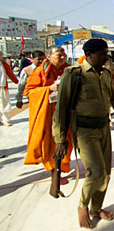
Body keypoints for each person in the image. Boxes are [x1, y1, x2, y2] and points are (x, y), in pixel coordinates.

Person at [53, 39, 114, 229]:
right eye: (102, 53)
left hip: (104, 128)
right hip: (85, 132)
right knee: (96, 172)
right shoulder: (74, 74)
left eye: (106, 53)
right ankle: (82, 206)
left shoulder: (105, 74)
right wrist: (60, 139)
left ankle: (96, 208)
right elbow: (61, 109)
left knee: (106, 174)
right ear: (89, 54)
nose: (105, 57)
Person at [23, 46, 71, 180]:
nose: (62, 57)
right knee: (51, 144)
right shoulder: (40, 72)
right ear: (49, 57)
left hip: (64, 111)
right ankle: (54, 172)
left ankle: (61, 167)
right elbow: (29, 92)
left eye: (63, 55)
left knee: (66, 140)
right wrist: (48, 89)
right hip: (48, 113)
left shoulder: (67, 69)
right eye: (59, 55)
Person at [0, 51, 19, 126]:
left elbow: (10, 73)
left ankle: (6, 120)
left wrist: (16, 81)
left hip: (2, 87)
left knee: (4, 104)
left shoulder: (3, 64)